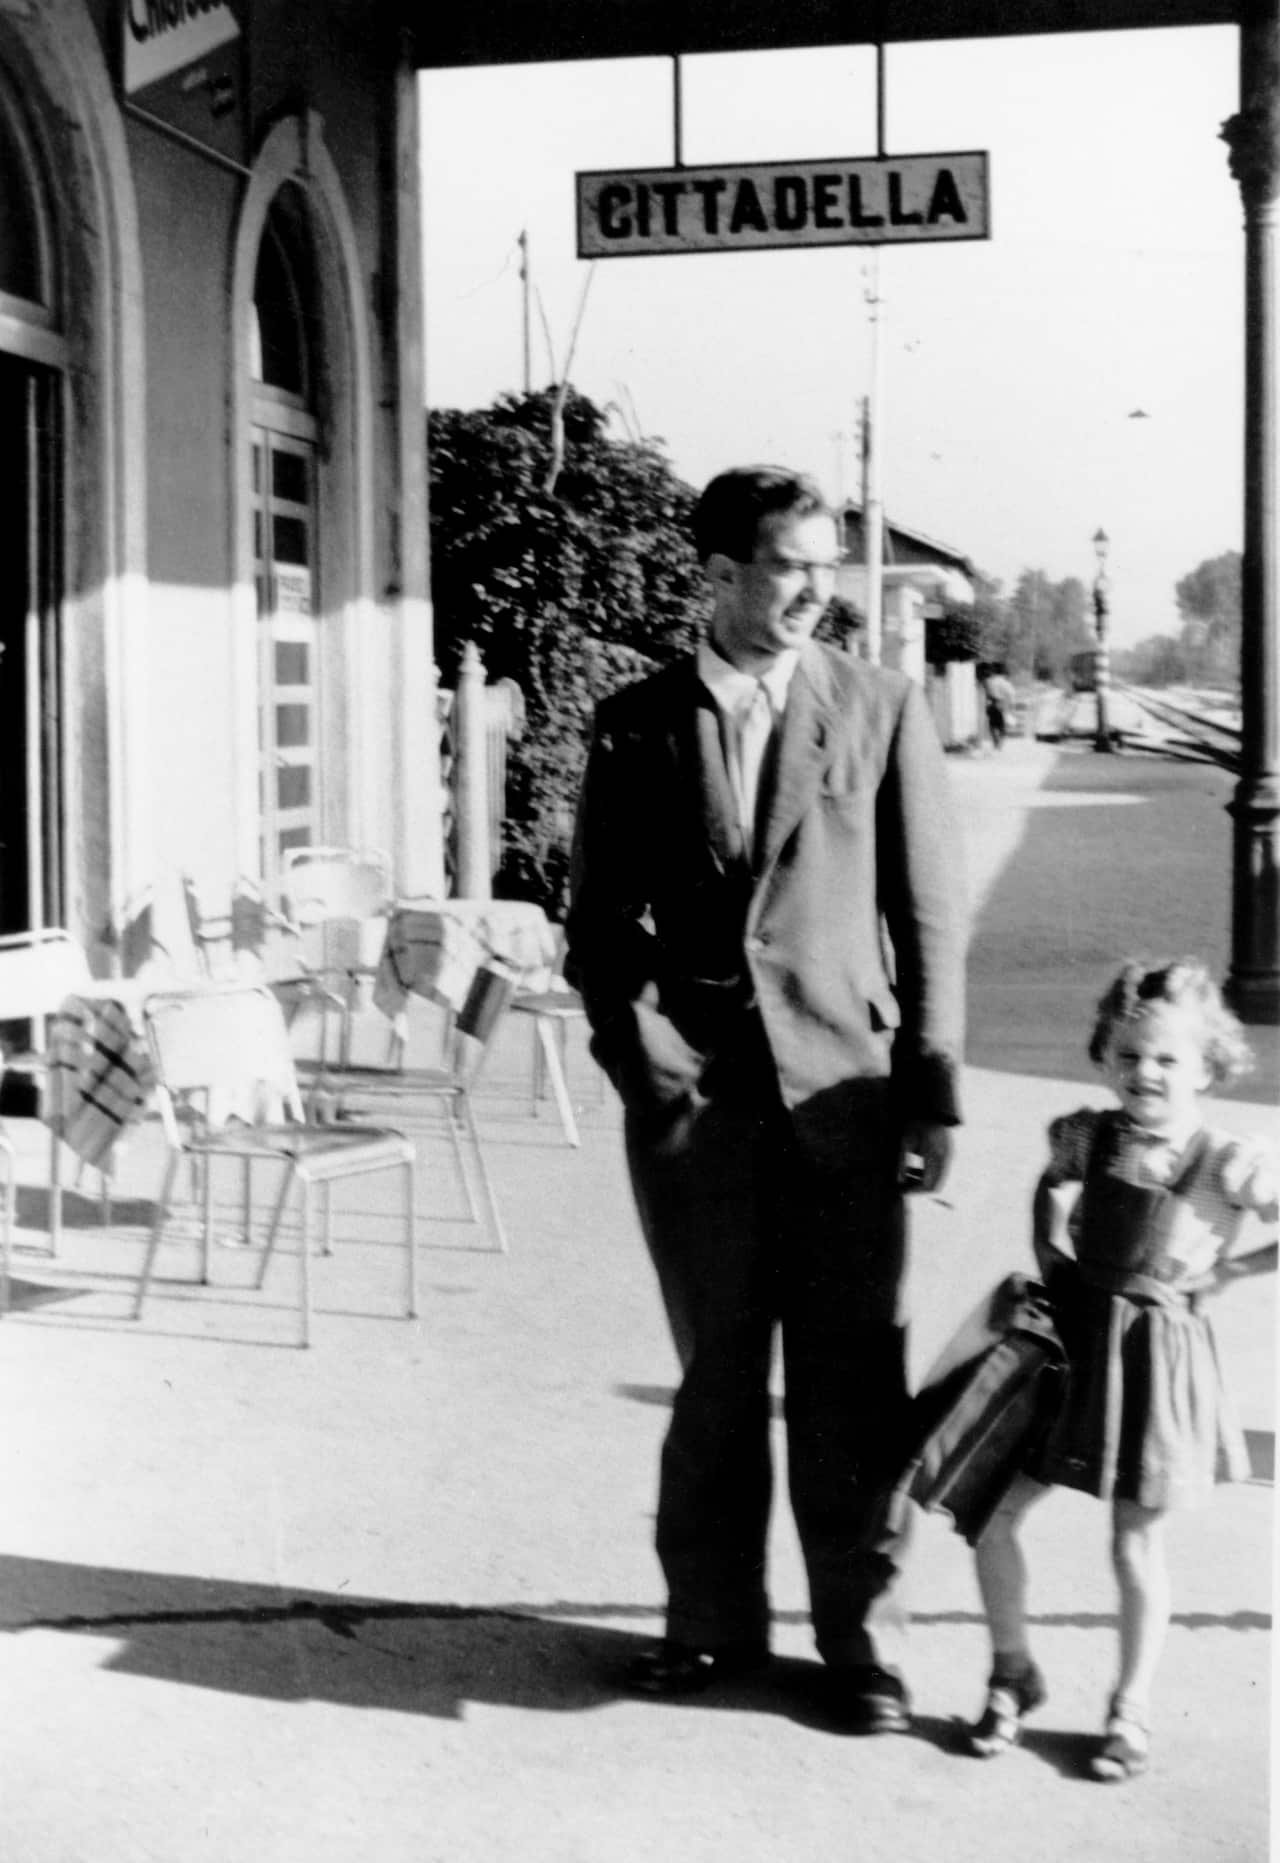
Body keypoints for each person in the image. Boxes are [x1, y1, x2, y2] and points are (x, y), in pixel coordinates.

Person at [564, 465, 966, 1732]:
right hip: (698, 1114)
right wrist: (646, 1064)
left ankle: (862, 1650)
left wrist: (932, 1092)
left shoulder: (880, 707)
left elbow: (928, 913)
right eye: (785, 565)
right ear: (718, 574)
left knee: (852, 1383)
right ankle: (707, 1627)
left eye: (820, 566)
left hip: (846, 1100)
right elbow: (595, 928)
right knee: (718, 1377)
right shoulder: (633, 722)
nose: (808, 591)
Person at [967, 958, 1278, 1780]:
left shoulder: (1224, 1158)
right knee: (991, 1509)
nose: (1146, 1072)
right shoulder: (1086, 1133)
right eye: (1129, 1054)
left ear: (1208, 1068)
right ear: (1107, 1057)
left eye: (1169, 1059)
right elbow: (1054, 1185)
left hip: (1151, 1364)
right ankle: (1012, 1671)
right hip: (1072, 1347)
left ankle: (1131, 1708)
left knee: (1134, 1541)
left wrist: (1229, 1272)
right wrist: (1046, 1243)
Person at [983, 669, 1016, 750]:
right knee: (1001, 725)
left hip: (990, 704)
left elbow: (986, 693)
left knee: (992, 724)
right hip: (1001, 704)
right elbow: (1011, 695)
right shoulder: (1005, 683)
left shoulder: (989, 681)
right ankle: (999, 743)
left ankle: (995, 741)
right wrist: (1011, 706)